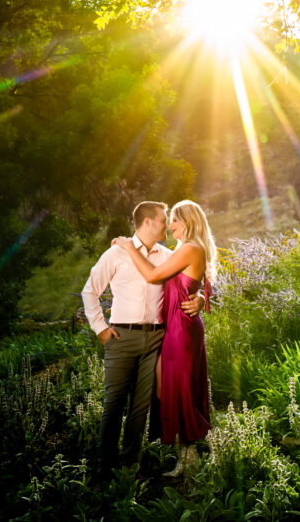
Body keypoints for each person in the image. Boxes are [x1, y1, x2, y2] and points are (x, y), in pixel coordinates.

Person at [80, 201, 203, 479]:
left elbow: (193, 280)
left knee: (141, 407)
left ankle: (129, 467)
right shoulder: (115, 254)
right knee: (114, 404)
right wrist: (100, 329)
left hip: (158, 338)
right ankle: (103, 470)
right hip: (122, 336)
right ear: (147, 222)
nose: (167, 226)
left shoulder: (168, 255)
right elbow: (90, 292)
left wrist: (201, 299)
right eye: (162, 220)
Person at [114, 199, 217, 476]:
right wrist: (203, 297)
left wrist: (127, 247)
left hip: (182, 329)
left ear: (187, 222)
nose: (170, 226)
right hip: (173, 327)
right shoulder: (183, 249)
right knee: (165, 390)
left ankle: (189, 455)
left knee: (179, 388)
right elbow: (197, 282)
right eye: (169, 220)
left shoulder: (191, 248)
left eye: (174, 220)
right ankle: (184, 450)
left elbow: (152, 275)